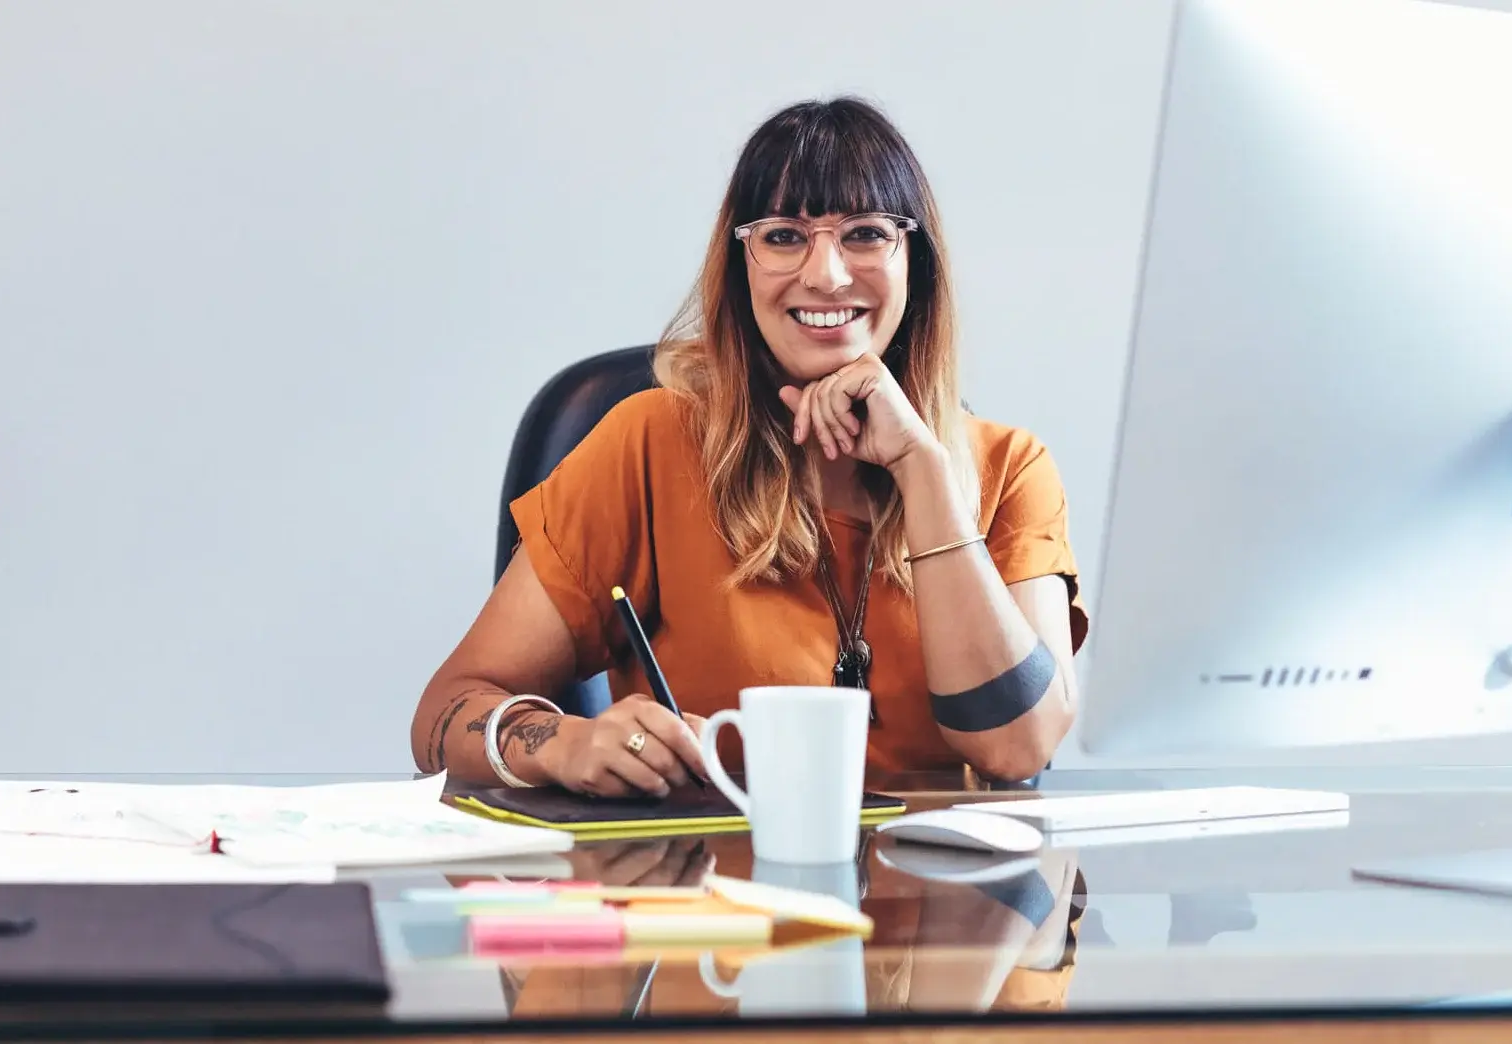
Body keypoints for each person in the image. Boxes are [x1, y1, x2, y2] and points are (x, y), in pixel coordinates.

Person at [411, 96, 1089, 795]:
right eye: (784, 237)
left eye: (864, 233)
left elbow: (1017, 748)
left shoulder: (1011, 468)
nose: (825, 274)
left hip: (943, 900)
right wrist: (560, 743)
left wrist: (925, 477)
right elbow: (444, 712)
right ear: (741, 266)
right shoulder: (647, 444)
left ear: (916, 260)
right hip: (714, 891)